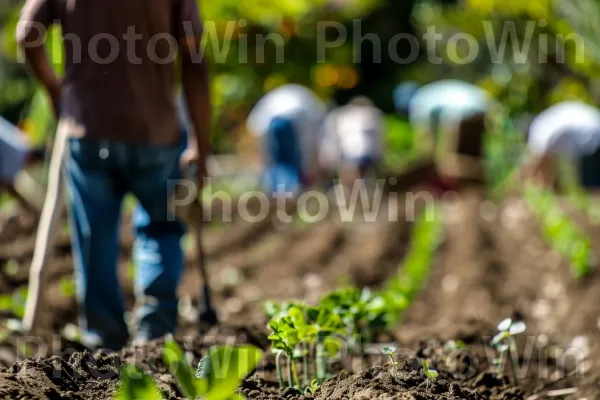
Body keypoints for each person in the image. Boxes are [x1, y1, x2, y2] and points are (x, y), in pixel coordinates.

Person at [17, 0, 211, 351]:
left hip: (88, 130)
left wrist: (55, 89)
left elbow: (28, 34)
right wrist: (201, 141)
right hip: (156, 132)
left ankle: (105, 341)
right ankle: (155, 334)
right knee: (161, 226)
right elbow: (193, 58)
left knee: (95, 235)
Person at [394, 79, 493, 191]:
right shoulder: (428, 93)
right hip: (482, 107)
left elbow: (425, 139)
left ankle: (463, 185)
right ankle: (481, 182)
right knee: (472, 155)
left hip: (458, 114)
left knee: (448, 161)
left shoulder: (417, 102)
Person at [247, 84, 326, 196]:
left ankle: (275, 193)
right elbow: (310, 137)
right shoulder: (313, 106)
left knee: (276, 162)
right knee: (290, 161)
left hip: (273, 124)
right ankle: (289, 193)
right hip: (289, 124)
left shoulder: (277, 97)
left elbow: (255, 125)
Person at [521, 101, 600, 190]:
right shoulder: (544, 122)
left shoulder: (538, 130)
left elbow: (537, 159)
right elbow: (546, 160)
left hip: (593, 136)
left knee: (592, 185)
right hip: (593, 127)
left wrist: (526, 178)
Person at [319, 96, 384, 188]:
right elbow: (379, 138)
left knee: (349, 175)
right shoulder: (374, 114)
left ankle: (354, 191)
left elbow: (337, 138)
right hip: (365, 154)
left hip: (350, 152)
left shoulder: (342, 116)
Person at [0, 116, 45, 214]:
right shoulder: (15, 161)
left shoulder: (22, 139)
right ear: (34, 159)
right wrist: (27, 205)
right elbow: (6, 183)